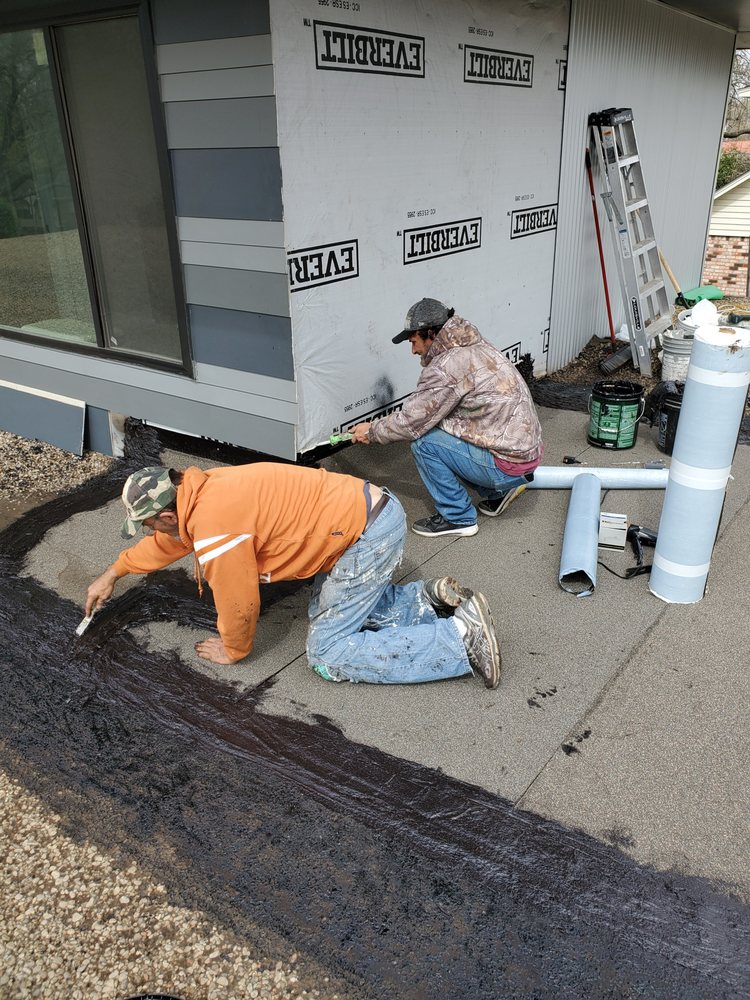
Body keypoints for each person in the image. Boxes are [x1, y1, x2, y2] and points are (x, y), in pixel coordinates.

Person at [84, 463, 502, 688]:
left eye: (148, 524)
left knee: (327, 653)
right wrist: (114, 573)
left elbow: (238, 601)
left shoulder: (214, 529)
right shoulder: (202, 492)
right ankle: (427, 600)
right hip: (365, 514)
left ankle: (459, 641)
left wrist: (233, 649)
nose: (149, 533)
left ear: (168, 514)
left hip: (365, 537)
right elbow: (172, 541)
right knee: (329, 608)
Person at [351, 298, 543, 537]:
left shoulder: (447, 365)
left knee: (424, 442)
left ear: (430, 334)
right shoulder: (476, 346)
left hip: (506, 465)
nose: (413, 351)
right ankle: (498, 494)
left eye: (414, 341)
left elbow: (412, 423)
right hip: (525, 456)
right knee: (441, 428)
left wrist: (370, 431)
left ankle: (458, 516)